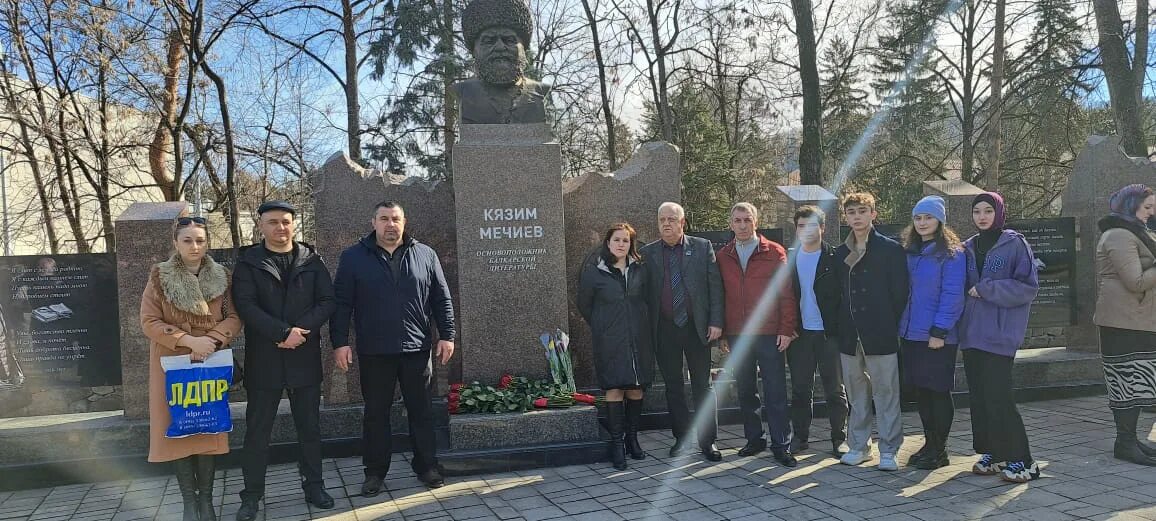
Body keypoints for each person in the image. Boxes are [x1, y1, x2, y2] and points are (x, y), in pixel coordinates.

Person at [331, 201, 456, 496]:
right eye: (384, 219)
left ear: (404, 222)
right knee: (376, 414)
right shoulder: (353, 258)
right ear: (373, 222)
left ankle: (426, 465)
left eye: (395, 219)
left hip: (416, 349)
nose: (390, 225)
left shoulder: (426, 254)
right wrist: (339, 343)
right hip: (374, 351)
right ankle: (374, 472)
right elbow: (342, 305)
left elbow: (442, 299)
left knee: (421, 411)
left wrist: (447, 335)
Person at [231, 201, 337, 520]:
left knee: (309, 428)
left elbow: (328, 301)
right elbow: (246, 306)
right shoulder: (249, 262)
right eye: (273, 222)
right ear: (261, 225)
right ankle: (251, 496)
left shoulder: (312, 259)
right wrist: (281, 332)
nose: (281, 227)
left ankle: (314, 486)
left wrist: (299, 331)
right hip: (265, 358)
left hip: (304, 355)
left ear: (294, 224)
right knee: (257, 431)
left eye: (286, 221)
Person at [140, 216, 241, 521]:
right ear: (175, 243)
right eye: (187, 240)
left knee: (206, 424)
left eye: (200, 240)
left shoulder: (222, 275)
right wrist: (185, 339)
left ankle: (207, 501)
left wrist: (211, 338)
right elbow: (149, 321)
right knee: (180, 427)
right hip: (172, 362)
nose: (194, 246)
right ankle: (189, 501)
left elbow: (234, 317)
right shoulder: (159, 276)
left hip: (210, 359)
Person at [958, 192, 1041, 483]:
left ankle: (1024, 460)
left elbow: (1027, 287)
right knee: (980, 398)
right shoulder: (967, 247)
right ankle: (995, 452)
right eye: (977, 211)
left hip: (1000, 334)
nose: (982, 216)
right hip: (971, 335)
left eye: (988, 211)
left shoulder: (1014, 243)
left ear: (999, 213)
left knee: (1000, 397)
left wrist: (987, 289)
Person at [640, 202, 725, 461]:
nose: (666, 224)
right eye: (662, 219)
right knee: (673, 386)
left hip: (696, 327)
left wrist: (716, 322)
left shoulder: (701, 247)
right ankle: (681, 438)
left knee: (702, 385)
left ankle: (708, 441)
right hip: (664, 329)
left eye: (672, 219)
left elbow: (715, 288)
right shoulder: (648, 253)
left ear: (682, 222)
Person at [717, 203, 799, 467]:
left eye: (747, 220)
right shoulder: (723, 255)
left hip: (769, 333)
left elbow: (786, 294)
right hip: (738, 335)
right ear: (730, 224)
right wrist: (723, 334)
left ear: (756, 222)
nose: (742, 225)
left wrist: (787, 329)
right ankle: (754, 439)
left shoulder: (774, 252)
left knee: (775, 391)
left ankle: (781, 444)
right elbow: (719, 297)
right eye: (737, 220)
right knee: (746, 391)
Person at [835, 192, 909, 471]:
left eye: (862, 211)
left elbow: (900, 293)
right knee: (856, 394)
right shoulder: (841, 252)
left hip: (880, 333)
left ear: (873, 214)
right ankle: (858, 446)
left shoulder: (890, 249)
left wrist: (888, 323)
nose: (857, 216)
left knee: (886, 392)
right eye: (851, 212)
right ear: (846, 217)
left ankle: (889, 449)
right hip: (850, 336)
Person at [577, 223, 655, 470]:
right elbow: (584, 305)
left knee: (635, 389)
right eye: (617, 240)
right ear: (608, 243)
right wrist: (603, 326)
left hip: (638, 339)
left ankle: (632, 439)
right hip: (610, 340)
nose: (621, 244)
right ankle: (616, 444)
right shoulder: (594, 272)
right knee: (614, 388)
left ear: (631, 245)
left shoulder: (641, 270)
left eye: (626, 240)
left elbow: (649, 300)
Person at [897, 196, 966, 470]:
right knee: (923, 393)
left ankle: (941, 449)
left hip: (937, 336)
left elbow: (952, 295)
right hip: (911, 333)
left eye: (928, 217)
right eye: (918, 218)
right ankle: (929, 442)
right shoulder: (910, 251)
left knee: (938, 391)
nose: (922, 223)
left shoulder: (951, 253)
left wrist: (940, 330)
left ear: (940, 221)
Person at [1093, 184, 1156, 466]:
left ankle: (1130, 441)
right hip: (1122, 321)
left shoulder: (1136, 233)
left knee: (1138, 381)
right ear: (1131, 206)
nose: (1151, 213)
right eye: (1147, 207)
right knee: (1125, 383)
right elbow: (1136, 282)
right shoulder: (1118, 235)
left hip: (1138, 320)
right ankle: (1125, 443)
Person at [787, 205, 848, 458]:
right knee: (801, 390)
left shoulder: (835, 258)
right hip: (799, 335)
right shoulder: (788, 259)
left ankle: (839, 438)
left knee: (835, 389)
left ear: (822, 228)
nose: (806, 230)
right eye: (801, 225)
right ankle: (800, 438)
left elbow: (845, 297)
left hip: (829, 334)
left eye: (812, 225)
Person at [454, 0, 552, 124]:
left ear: (524, 48)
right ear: (474, 50)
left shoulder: (539, 91)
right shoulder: (465, 92)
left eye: (509, 40)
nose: (500, 47)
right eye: (489, 40)